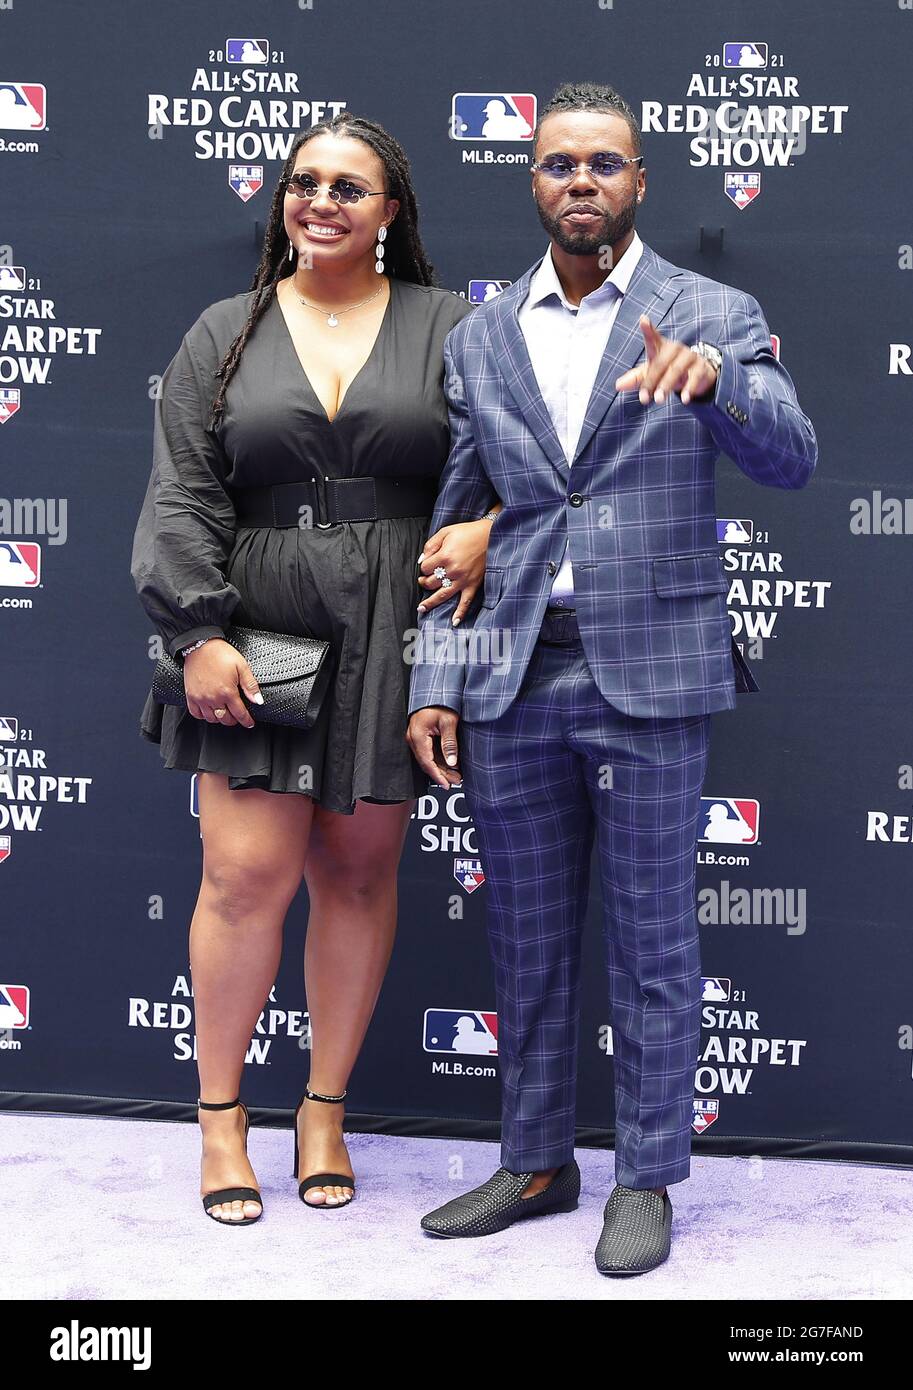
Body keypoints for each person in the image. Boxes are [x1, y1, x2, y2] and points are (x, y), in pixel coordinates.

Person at [407, 81, 817, 1275]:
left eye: (603, 162)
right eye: (556, 164)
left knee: (650, 941)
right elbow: (460, 519)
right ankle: (534, 1160)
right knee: (526, 941)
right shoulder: (482, 335)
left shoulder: (709, 309)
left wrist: (717, 382)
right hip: (516, 675)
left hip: (652, 672)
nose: (578, 180)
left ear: (640, 181)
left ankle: (644, 1175)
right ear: (531, 183)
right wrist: (440, 675)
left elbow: (792, 455)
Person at [130, 114, 500, 1225]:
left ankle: (324, 1110)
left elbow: (511, 457)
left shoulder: (453, 325)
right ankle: (221, 1118)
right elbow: (182, 491)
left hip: (399, 614)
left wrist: (488, 525)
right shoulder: (224, 329)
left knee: (355, 873)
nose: (322, 200)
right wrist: (197, 635)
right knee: (245, 877)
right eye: (304, 182)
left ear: (392, 211)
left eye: (350, 185)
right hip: (258, 620)